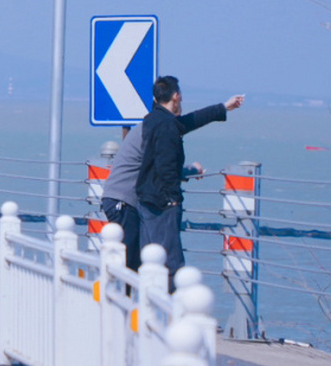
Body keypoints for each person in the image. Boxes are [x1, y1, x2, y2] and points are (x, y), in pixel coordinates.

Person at [97, 88, 244, 258]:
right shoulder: (156, 129)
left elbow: (192, 121)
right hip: (122, 201)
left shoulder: (155, 125)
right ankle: (116, 284)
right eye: (180, 101)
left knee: (136, 259)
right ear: (174, 99)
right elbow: (161, 169)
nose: (181, 107)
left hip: (121, 199)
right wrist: (191, 170)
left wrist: (224, 107)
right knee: (129, 260)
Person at [133, 76, 243, 289]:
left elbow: (191, 120)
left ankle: (149, 306)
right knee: (170, 261)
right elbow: (166, 166)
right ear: (176, 96)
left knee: (151, 258)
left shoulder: (154, 119)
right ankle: (172, 312)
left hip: (146, 198)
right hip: (162, 202)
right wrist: (173, 198)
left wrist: (224, 107)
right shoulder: (166, 126)